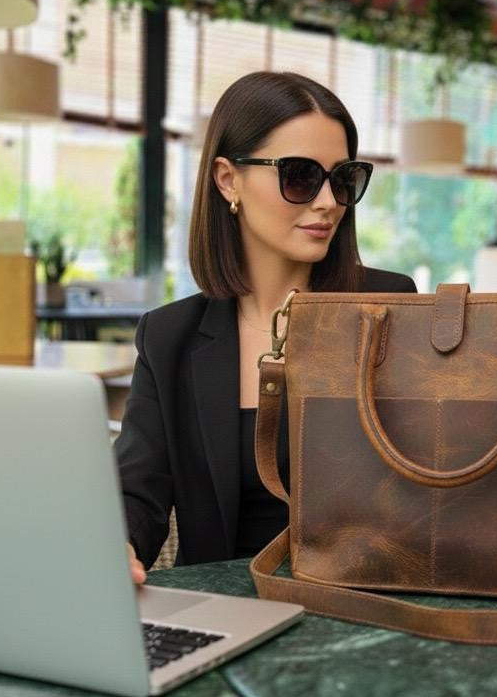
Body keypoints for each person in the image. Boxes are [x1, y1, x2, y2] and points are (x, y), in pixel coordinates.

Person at [116, 71, 416, 585]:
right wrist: (115, 546)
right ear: (228, 179)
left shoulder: (392, 309)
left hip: (358, 609)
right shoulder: (169, 337)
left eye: (342, 178)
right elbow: (135, 492)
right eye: (300, 176)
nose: (328, 202)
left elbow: (421, 484)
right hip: (219, 613)